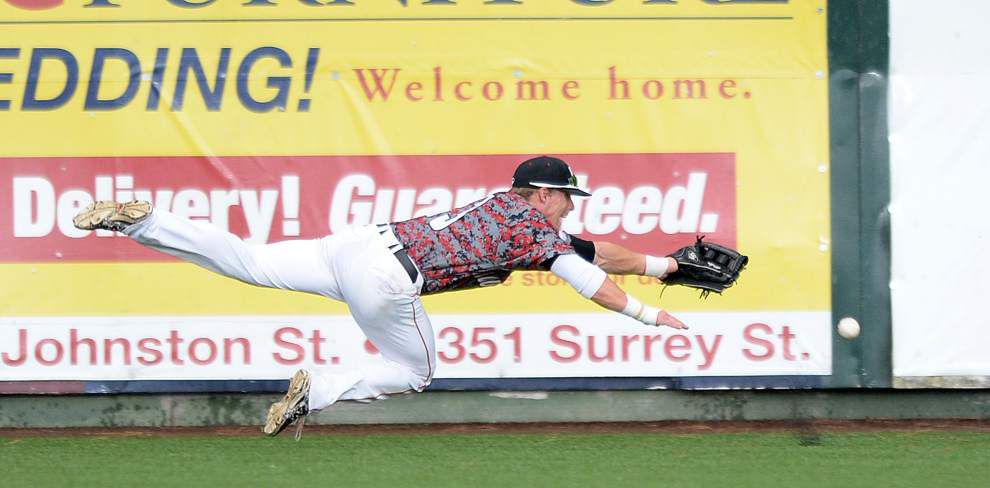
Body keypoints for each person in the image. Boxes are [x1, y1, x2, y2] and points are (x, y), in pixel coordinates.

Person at [72, 156, 687, 439]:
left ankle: (144, 220)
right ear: (547, 196)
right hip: (389, 279)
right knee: (417, 373)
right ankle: (318, 391)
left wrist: (664, 265)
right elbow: (594, 282)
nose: (568, 207)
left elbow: (595, 252)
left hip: (359, 245)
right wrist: (651, 314)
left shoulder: (505, 204)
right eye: (566, 197)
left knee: (251, 260)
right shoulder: (538, 232)